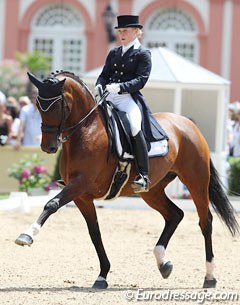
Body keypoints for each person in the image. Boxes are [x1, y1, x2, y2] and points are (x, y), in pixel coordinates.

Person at [95, 15, 166, 193]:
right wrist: (99, 84)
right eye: (120, 31)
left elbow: (141, 80)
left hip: (128, 98)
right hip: (109, 95)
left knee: (134, 127)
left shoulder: (143, 54)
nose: (122, 34)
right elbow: (105, 74)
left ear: (137, 32)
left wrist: (119, 87)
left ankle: (143, 175)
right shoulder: (114, 52)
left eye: (125, 31)